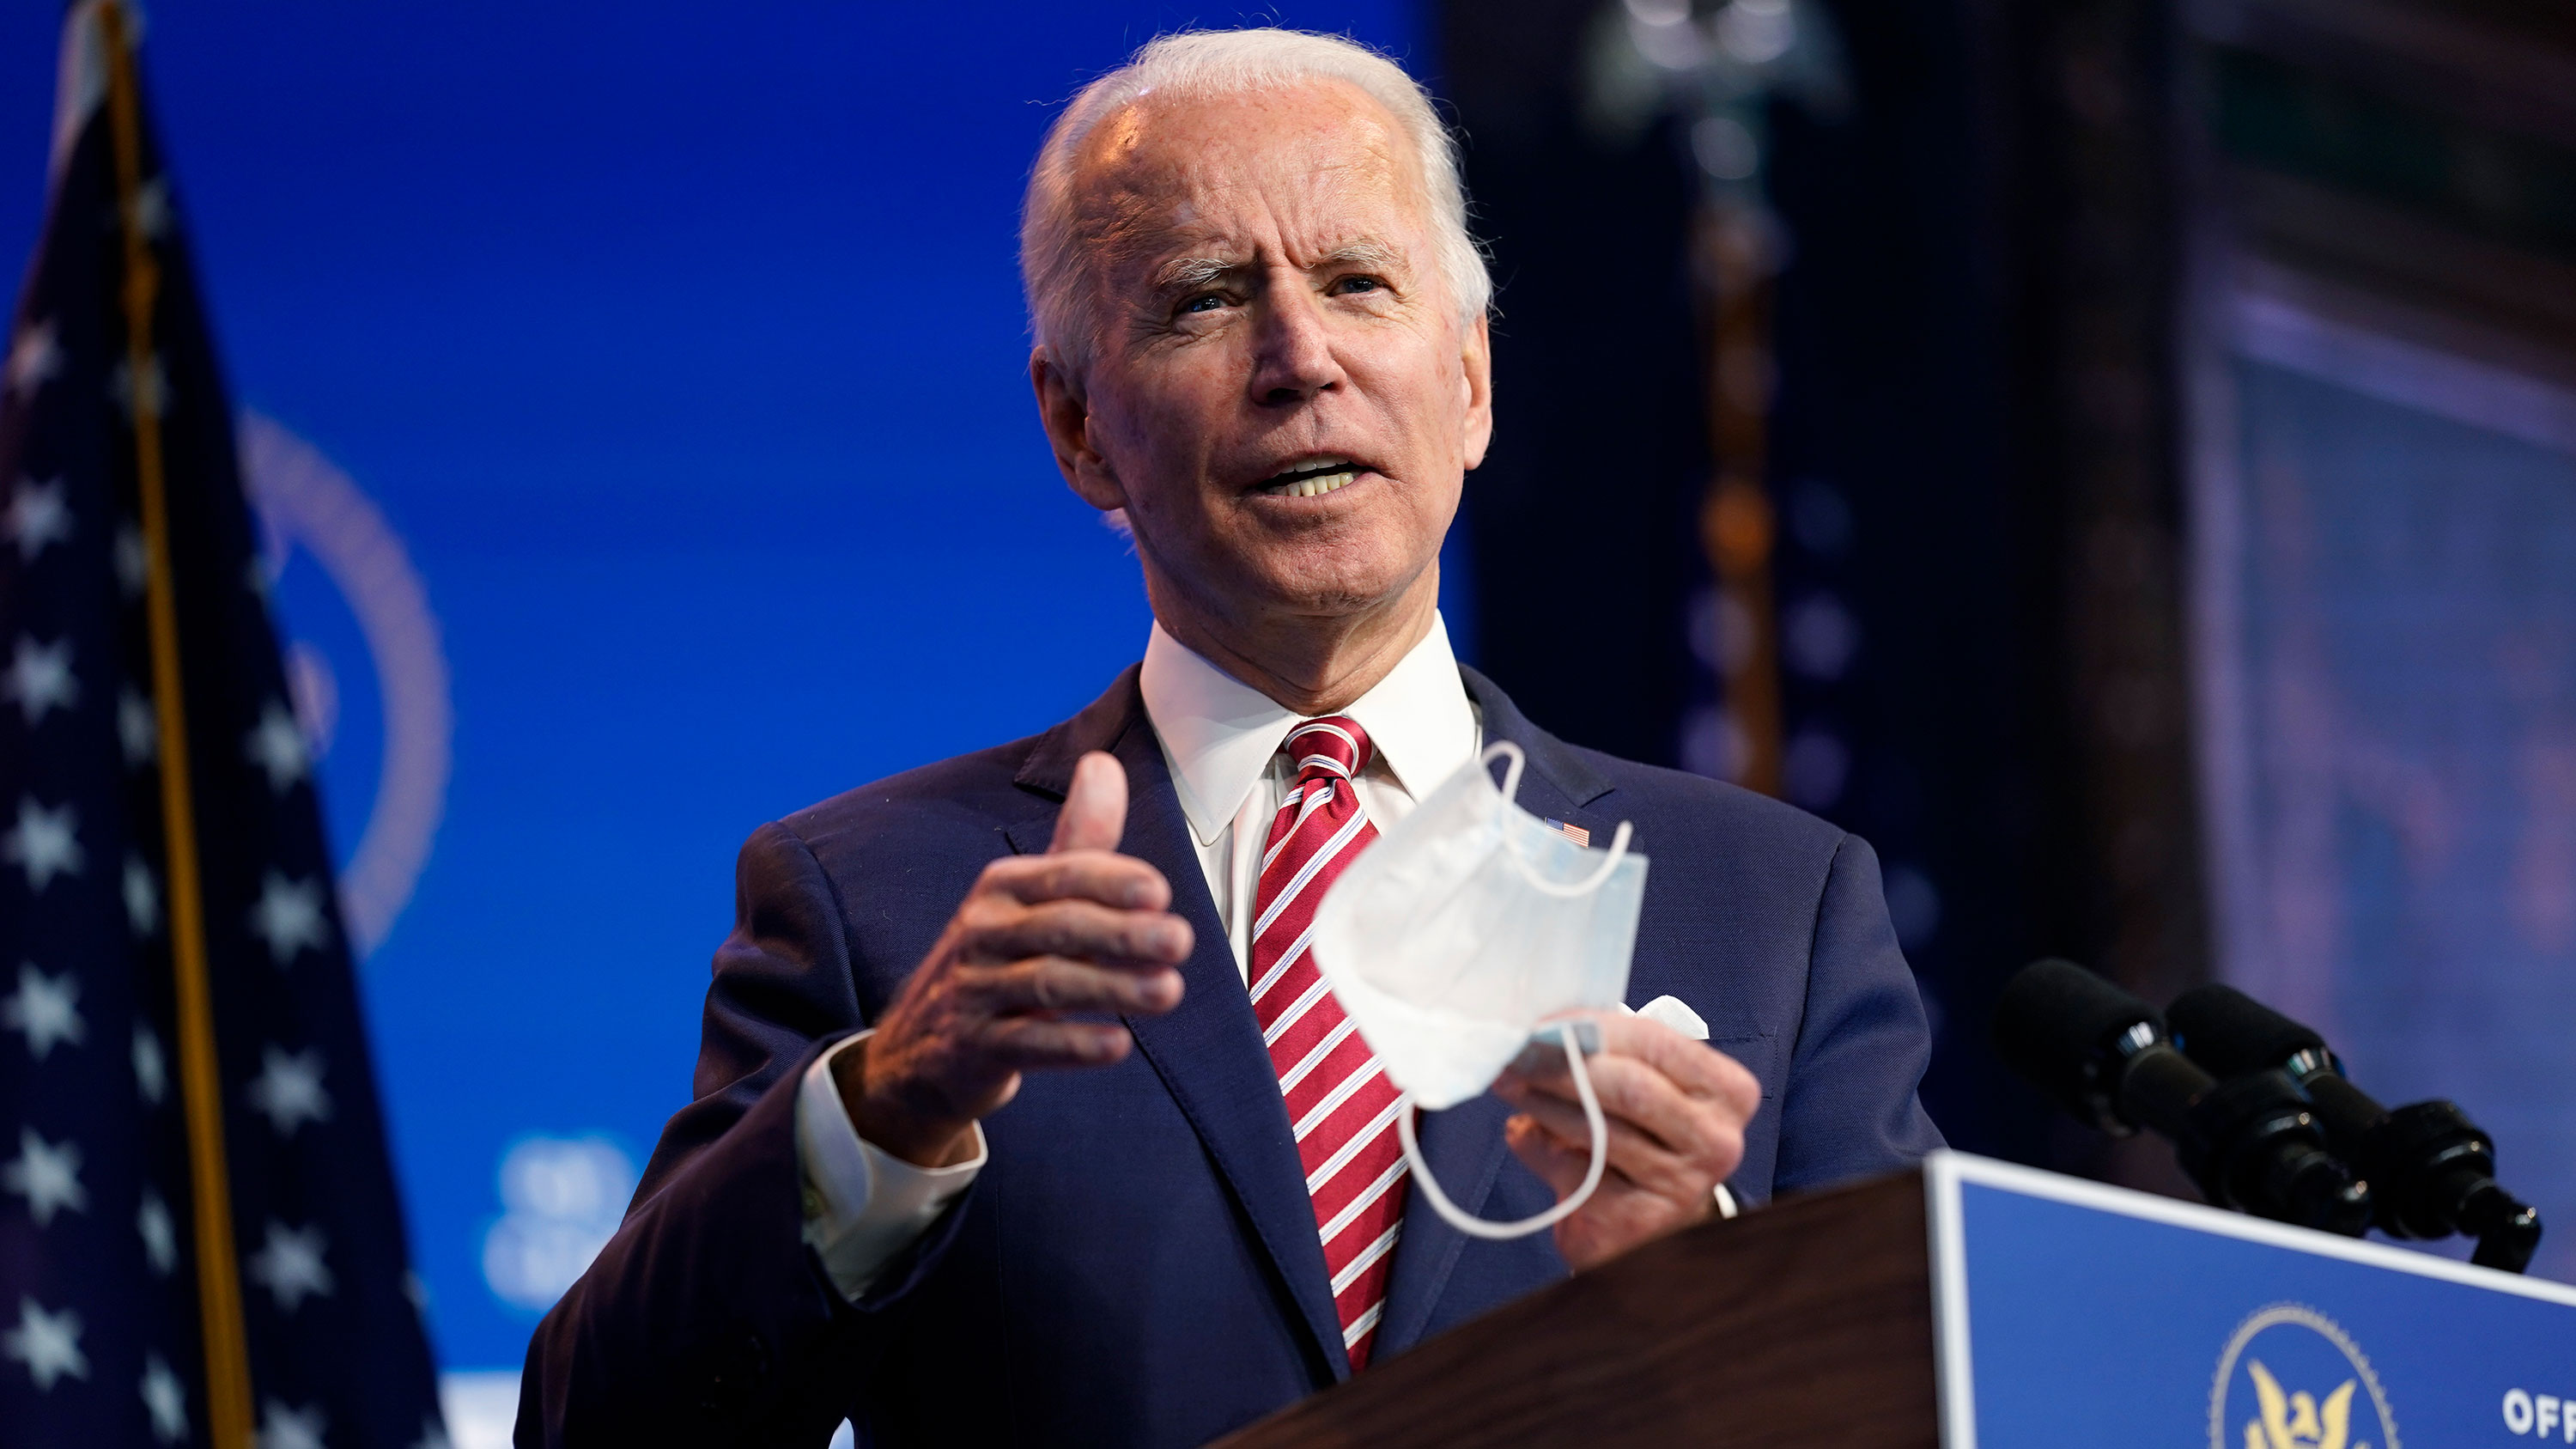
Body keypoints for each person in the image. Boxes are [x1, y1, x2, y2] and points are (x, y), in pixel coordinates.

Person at [517, 27, 1940, 1449]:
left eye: (1357, 283)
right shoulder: (879, 906)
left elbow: (1946, 1405)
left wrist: (1715, 1265)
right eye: (1204, 299)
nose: (1299, 359)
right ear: (1077, 428)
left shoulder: (1772, 903)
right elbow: (603, 1432)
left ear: (1470, 382)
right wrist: (888, 1108)